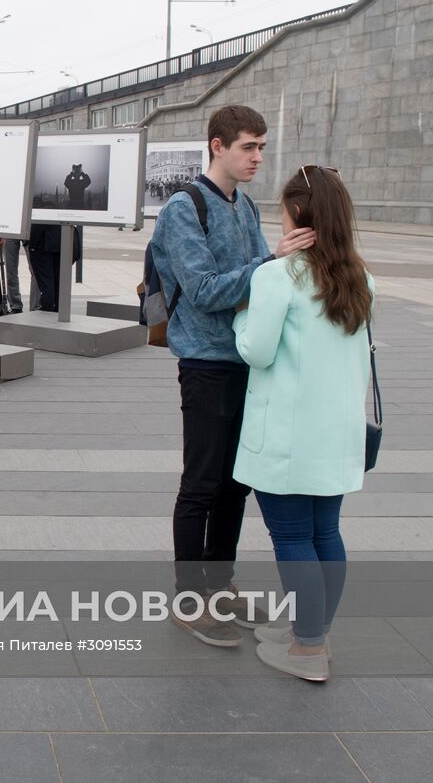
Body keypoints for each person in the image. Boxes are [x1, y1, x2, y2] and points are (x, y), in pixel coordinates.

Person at [151, 105, 316, 648]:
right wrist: (270, 261)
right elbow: (201, 290)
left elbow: (258, 289)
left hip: (247, 359)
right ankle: (188, 596)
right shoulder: (184, 207)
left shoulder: (244, 206)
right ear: (217, 145)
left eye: (263, 147)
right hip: (203, 362)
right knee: (200, 483)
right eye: (249, 147)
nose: (258, 158)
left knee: (234, 484)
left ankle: (219, 585)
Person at [233, 165, 373, 682]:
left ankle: (308, 650)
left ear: (296, 213)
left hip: (288, 436)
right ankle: (310, 632)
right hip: (337, 432)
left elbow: (257, 350)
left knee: (291, 537)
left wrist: (241, 317)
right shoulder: (361, 277)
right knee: (326, 534)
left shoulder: (276, 276)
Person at [25, 208, 79, 312]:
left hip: (42, 245)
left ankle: (48, 311)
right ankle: (58, 310)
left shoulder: (40, 204)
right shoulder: (63, 204)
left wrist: (32, 245)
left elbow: (37, 225)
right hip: (61, 242)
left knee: (47, 284)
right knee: (57, 282)